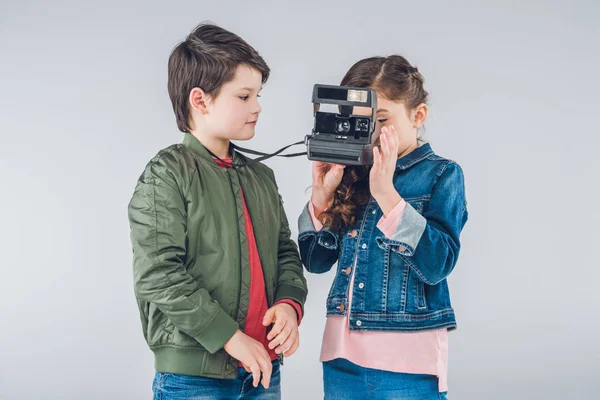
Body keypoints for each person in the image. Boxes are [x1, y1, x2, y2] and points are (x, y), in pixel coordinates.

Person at [128, 23, 307, 400]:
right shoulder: (167, 174)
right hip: (195, 380)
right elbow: (158, 274)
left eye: (258, 95)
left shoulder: (260, 176)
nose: (257, 106)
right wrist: (228, 337)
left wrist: (290, 304)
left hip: (263, 372)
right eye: (244, 96)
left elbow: (285, 250)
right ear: (200, 100)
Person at [298, 55, 468, 399]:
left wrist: (387, 195)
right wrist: (321, 199)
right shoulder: (352, 174)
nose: (372, 133)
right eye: (363, 123)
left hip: (408, 361)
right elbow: (315, 262)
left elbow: (437, 264)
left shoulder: (442, 175)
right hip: (341, 357)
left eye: (382, 120)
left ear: (417, 115)